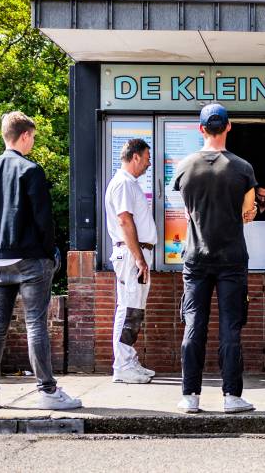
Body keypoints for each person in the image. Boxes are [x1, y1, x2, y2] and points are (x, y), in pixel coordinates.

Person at [0, 111, 81, 410]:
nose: (33, 142)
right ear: (23, 136)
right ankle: (47, 390)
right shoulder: (31, 171)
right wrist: (51, 254)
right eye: (32, 136)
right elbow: (43, 220)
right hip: (31, 258)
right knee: (36, 324)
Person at [172, 103, 258, 414]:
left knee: (194, 324)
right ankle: (231, 397)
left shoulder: (185, 167)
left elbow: (187, 211)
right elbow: (248, 213)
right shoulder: (242, 168)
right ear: (229, 127)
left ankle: (190, 396)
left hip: (195, 258)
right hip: (232, 257)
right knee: (230, 328)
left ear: (201, 129)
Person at [104, 138, 156, 385]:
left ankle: (127, 360)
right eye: (146, 157)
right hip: (131, 254)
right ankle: (123, 365)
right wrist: (138, 257)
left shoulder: (128, 183)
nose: (148, 163)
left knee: (133, 308)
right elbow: (124, 221)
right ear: (135, 156)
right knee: (128, 309)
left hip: (135, 253)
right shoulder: (123, 184)